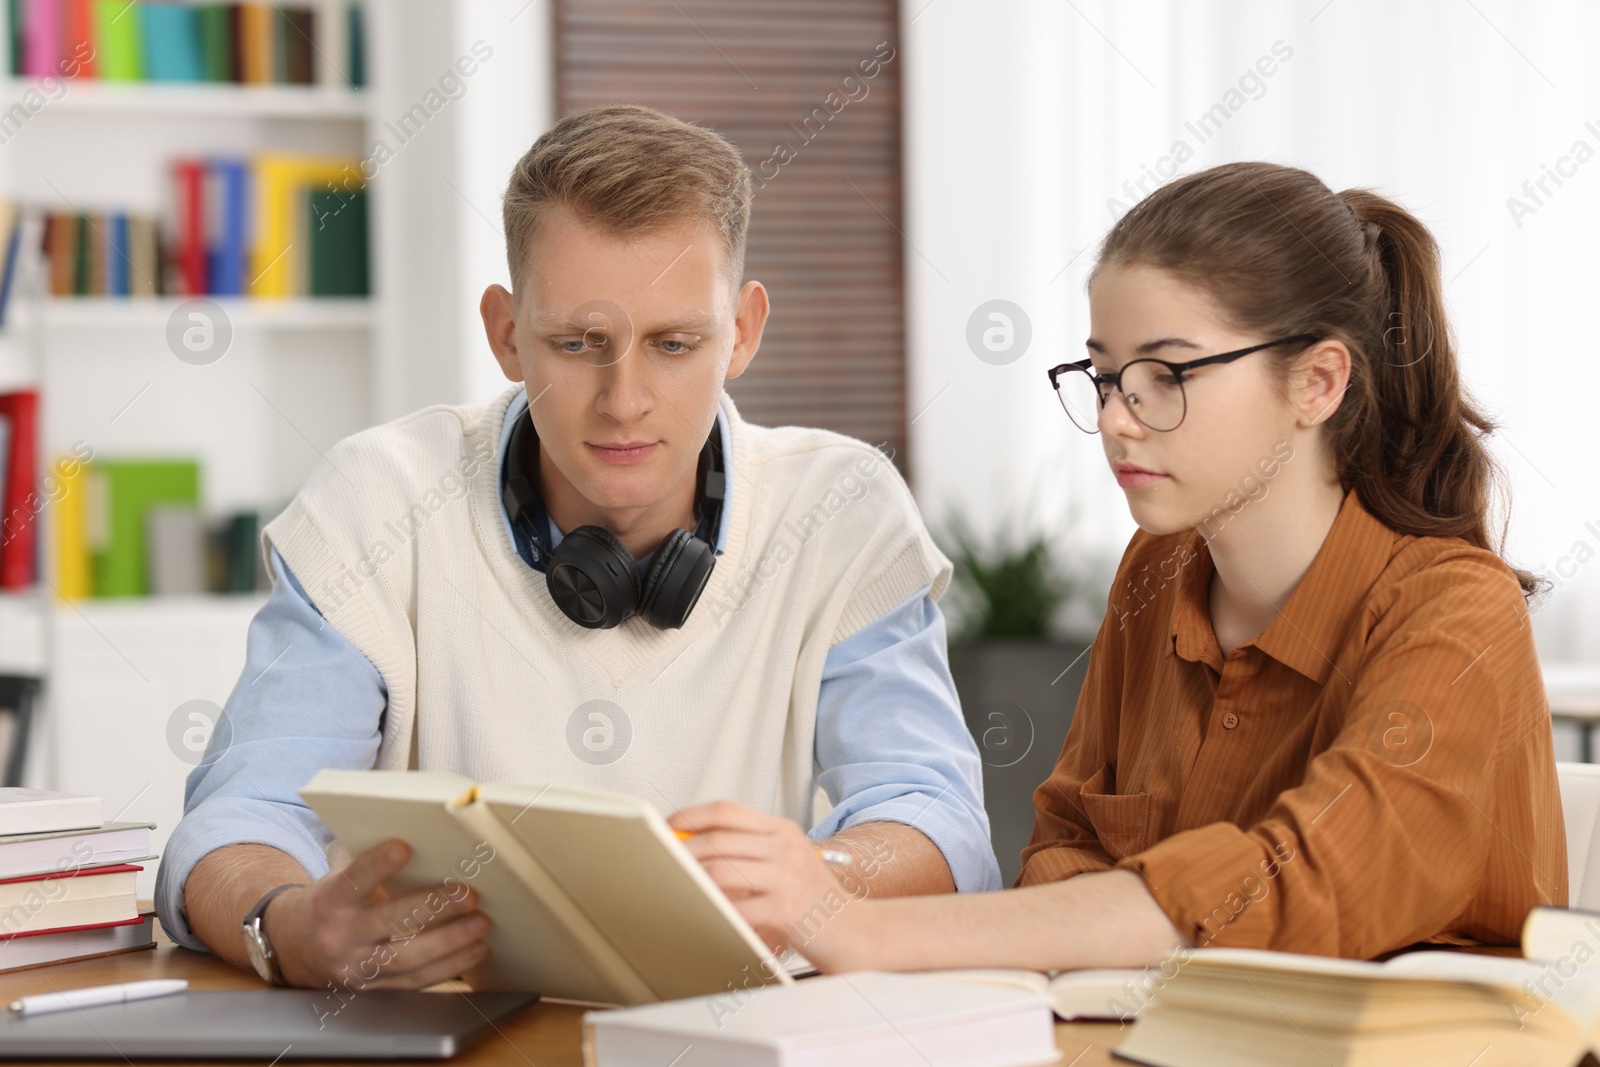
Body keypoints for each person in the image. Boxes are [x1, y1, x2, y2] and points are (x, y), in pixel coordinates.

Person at [154, 104, 1000, 991]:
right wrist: (286, 926)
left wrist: (810, 883)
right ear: (507, 333)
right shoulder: (378, 501)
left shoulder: (842, 508)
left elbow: (936, 820)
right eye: (578, 344)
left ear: (743, 331)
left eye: (675, 344)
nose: (624, 399)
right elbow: (239, 817)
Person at [675, 161, 1566, 970]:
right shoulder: (1159, 568)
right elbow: (1062, 842)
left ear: (1319, 383)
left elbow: (1298, 884)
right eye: (1104, 376)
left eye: (1168, 376)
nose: (1116, 418)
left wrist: (856, 925)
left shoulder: (1455, 613)